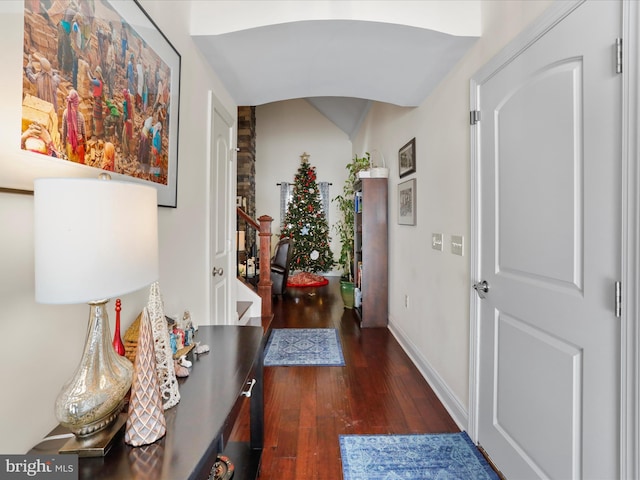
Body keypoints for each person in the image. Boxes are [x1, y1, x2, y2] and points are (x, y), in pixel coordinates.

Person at [61, 89, 87, 163]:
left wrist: (63, 146)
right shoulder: (81, 116)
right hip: (80, 146)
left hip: (70, 146)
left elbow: (64, 131)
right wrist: (85, 146)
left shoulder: (65, 113)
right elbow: (84, 133)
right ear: (77, 103)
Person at [87, 66, 105, 139]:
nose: (94, 73)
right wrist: (90, 71)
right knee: (97, 116)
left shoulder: (98, 82)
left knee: (96, 116)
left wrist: (87, 72)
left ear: (98, 74)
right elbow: (93, 77)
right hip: (98, 100)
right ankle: (98, 132)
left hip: (97, 100)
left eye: (95, 72)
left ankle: (97, 133)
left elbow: (91, 79)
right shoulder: (98, 80)